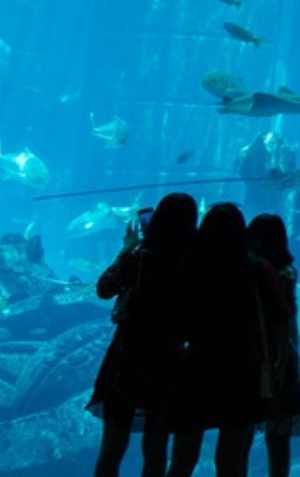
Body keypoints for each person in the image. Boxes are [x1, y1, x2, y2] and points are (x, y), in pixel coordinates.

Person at [90, 192, 199, 477]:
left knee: (113, 445)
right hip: (170, 358)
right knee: (156, 447)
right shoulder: (195, 266)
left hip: (127, 356)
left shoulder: (139, 259)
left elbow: (104, 288)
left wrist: (126, 249)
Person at [168, 203, 276, 477]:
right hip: (241, 366)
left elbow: (176, 318)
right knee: (231, 460)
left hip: (198, 363)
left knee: (182, 458)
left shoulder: (190, 265)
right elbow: (281, 311)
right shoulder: (255, 268)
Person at [247, 214, 300, 477]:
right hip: (283, 356)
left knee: (241, 430)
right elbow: (290, 321)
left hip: (249, 354)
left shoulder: (245, 271)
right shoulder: (288, 273)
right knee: (279, 435)